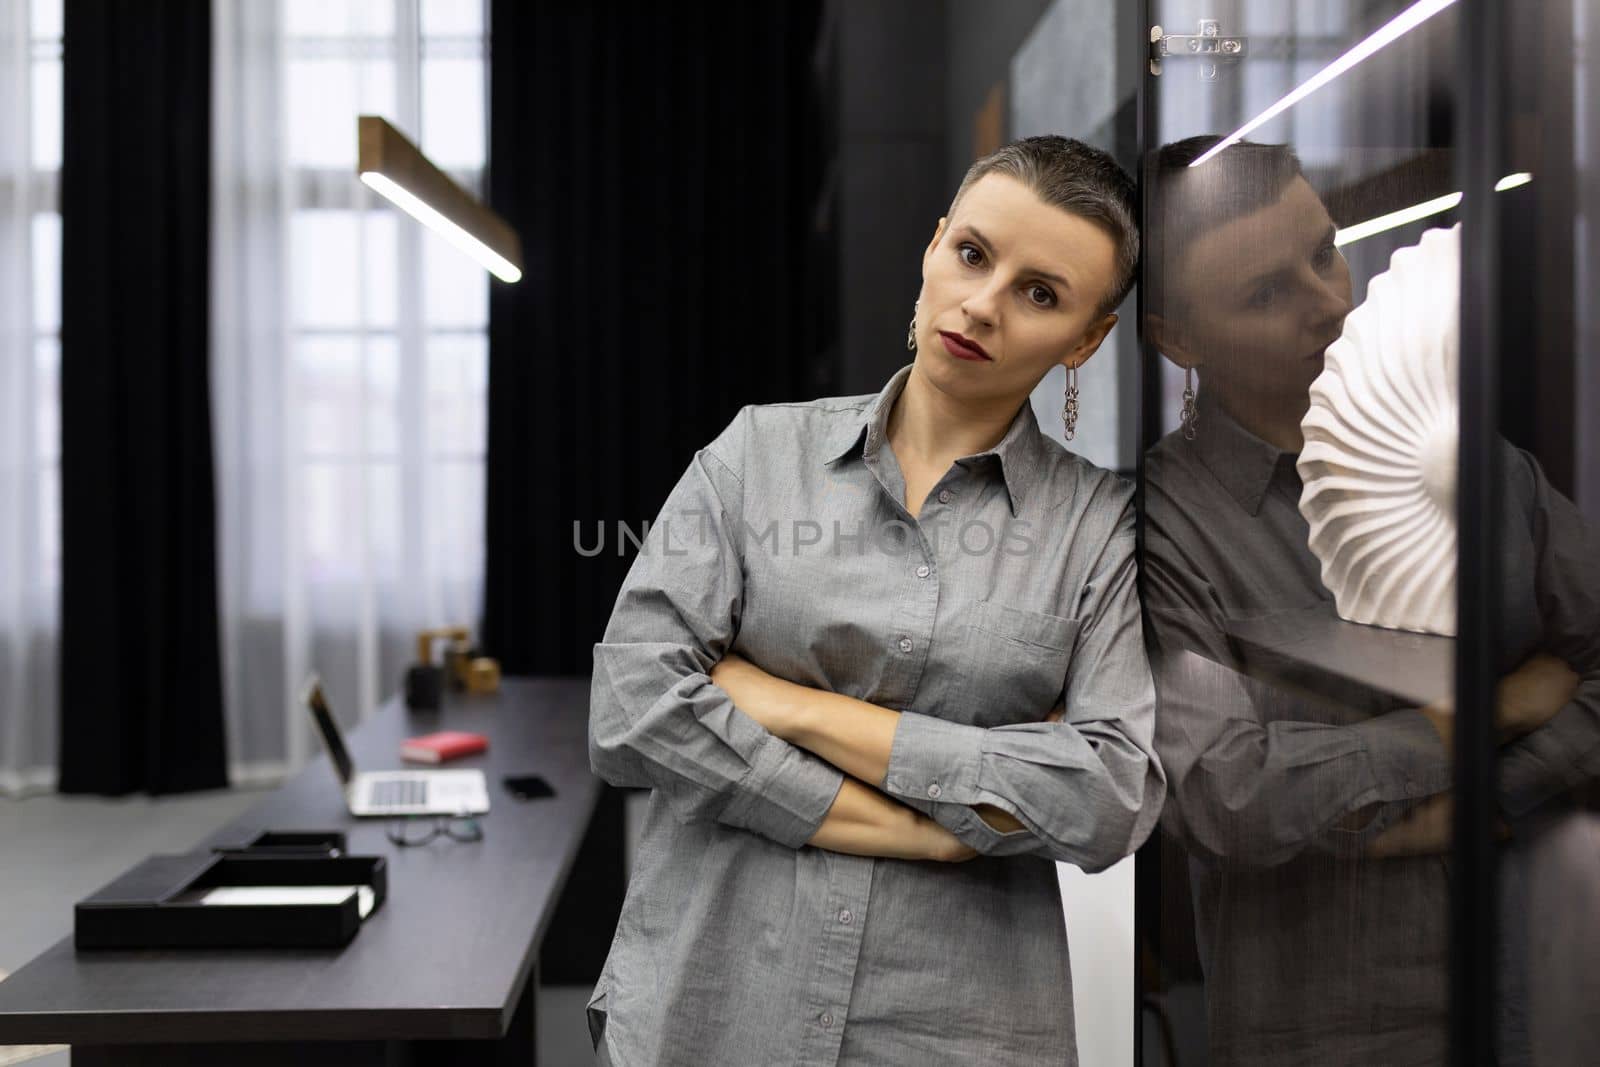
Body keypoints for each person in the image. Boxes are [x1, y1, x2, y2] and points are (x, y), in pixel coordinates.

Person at [585, 135, 1164, 1066]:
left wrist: (784, 702)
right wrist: (931, 829)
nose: (983, 304)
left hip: (957, 1031)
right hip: (712, 1004)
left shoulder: (1098, 529)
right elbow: (630, 709)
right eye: (973, 254)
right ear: (935, 244)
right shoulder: (753, 458)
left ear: (1088, 340)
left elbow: (1106, 798)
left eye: (1041, 292)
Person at [1141, 135, 1599, 1065]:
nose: (1328, 302)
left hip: (1530, 1001)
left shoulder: (1476, 460)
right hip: (1321, 1031)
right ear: (1178, 339)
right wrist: (1490, 713)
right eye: (1266, 293)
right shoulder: (1160, 529)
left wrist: (1473, 804)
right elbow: (1228, 794)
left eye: (1324, 252)